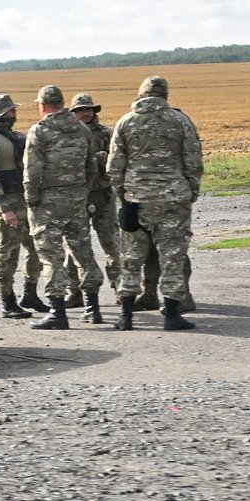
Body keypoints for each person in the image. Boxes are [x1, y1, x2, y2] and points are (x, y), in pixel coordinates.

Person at [108, 75, 204, 331]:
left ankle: (126, 316)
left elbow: (114, 166)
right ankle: (172, 316)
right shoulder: (180, 121)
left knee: (131, 258)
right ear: (165, 95)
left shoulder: (126, 122)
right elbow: (193, 161)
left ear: (141, 95)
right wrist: (190, 192)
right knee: (172, 257)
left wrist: (124, 195)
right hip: (174, 199)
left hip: (136, 200)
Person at [23, 84, 105, 329]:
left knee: (51, 257)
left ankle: (57, 312)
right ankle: (93, 308)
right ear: (62, 104)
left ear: (42, 105)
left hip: (48, 202)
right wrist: (83, 191)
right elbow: (92, 166)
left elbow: (32, 170)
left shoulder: (40, 131)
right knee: (84, 253)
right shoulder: (81, 129)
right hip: (77, 200)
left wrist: (31, 199)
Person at [0, 93, 50, 319]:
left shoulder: (13, 136)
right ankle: (7, 302)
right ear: (0, 113)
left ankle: (30, 293)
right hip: (8, 203)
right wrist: (4, 209)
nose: (14, 114)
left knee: (37, 248)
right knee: (9, 253)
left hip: (24, 201)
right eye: (11, 111)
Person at [62, 93, 120, 317]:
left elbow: (117, 161)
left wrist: (99, 159)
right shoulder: (68, 136)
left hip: (103, 196)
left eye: (89, 109)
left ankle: (120, 289)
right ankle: (74, 291)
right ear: (74, 113)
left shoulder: (107, 133)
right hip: (78, 198)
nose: (86, 113)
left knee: (112, 244)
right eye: (81, 110)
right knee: (75, 248)